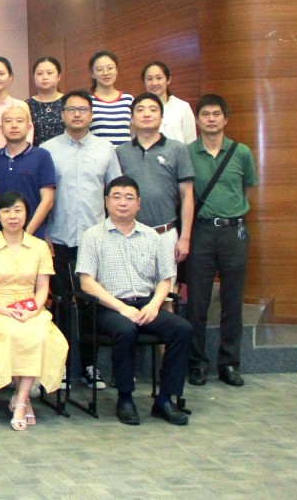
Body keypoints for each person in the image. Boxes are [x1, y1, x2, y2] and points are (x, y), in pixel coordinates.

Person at [76, 176, 192, 426]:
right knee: (125, 330)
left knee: (182, 329)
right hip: (108, 307)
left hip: (145, 304)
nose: (123, 202)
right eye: (117, 197)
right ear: (106, 201)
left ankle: (165, 399)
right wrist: (122, 308)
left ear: (138, 203)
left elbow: (165, 278)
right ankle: (125, 398)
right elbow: (86, 283)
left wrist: (154, 305)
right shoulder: (92, 236)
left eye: (129, 197)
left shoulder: (152, 236)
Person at [40, 89, 121, 390]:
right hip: (58, 239)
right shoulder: (47, 150)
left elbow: (115, 194)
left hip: (94, 240)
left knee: (91, 305)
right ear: (62, 115)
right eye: (71, 109)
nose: (77, 114)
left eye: (83, 109)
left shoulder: (106, 149)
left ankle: (89, 365)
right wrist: (44, 234)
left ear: (91, 115)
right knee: (60, 304)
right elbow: (43, 196)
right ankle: (60, 367)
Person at [0, 192, 68, 431]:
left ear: (26, 214)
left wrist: (33, 311)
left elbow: (42, 288)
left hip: (30, 307)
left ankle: (21, 399)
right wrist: (4, 310)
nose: (12, 216)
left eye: (18, 210)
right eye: (6, 211)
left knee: (39, 334)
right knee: (13, 333)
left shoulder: (39, 247)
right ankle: (23, 400)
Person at [186, 94, 258, 388]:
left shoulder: (241, 152)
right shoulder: (188, 152)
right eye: (206, 114)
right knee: (197, 302)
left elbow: (247, 189)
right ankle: (197, 364)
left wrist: (233, 212)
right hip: (202, 231)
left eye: (217, 114)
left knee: (232, 301)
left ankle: (229, 363)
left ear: (225, 119)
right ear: (198, 120)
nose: (211, 119)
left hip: (233, 232)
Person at [115, 93, 194, 263]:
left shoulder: (177, 149)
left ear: (161, 117)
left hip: (165, 234)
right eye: (140, 110)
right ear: (132, 118)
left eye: (153, 110)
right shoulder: (120, 152)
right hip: (127, 234)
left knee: (166, 281)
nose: (146, 114)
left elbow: (187, 195)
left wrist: (185, 237)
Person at [0, 104, 56, 237]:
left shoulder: (42, 156)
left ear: (29, 127)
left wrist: (26, 234)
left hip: (33, 236)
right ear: (1, 128)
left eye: (20, 121)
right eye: (8, 121)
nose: (14, 125)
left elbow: (47, 200)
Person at [142, 60, 197, 145]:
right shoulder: (139, 111)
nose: (154, 83)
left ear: (168, 80)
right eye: (149, 79)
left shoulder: (182, 107)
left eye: (159, 78)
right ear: (144, 82)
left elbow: (191, 143)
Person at [88, 50, 133, 145]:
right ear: (93, 74)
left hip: (125, 153)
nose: (105, 73)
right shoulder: (87, 102)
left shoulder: (129, 100)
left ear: (116, 71)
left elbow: (136, 132)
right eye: (99, 69)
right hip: (99, 154)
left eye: (110, 68)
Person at [26, 56, 64, 147]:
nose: (45, 77)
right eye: (39, 74)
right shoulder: (26, 105)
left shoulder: (69, 102)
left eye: (49, 73)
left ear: (59, 77)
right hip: (36, 154)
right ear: (33, 77)